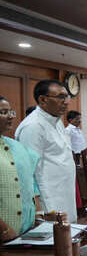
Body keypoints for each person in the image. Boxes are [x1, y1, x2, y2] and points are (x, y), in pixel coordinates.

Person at [15, 80, 77, 222]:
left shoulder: (57, 121)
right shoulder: (33, 126)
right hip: (48, 199)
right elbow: (29, 172)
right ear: (43, 100)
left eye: (67, 97)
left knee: (70, 230)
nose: (66, 102)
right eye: (60, 97)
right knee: (54, 233)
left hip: (64, 192)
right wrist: (40, 211)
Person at [0, 97, 40, 242]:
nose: (10, 116)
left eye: (11, 112)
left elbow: (31, 184)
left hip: (27, 232)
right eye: (4, 112)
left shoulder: (17, 147)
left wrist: (38, 216)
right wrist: (4, 229)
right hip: (5, 235)